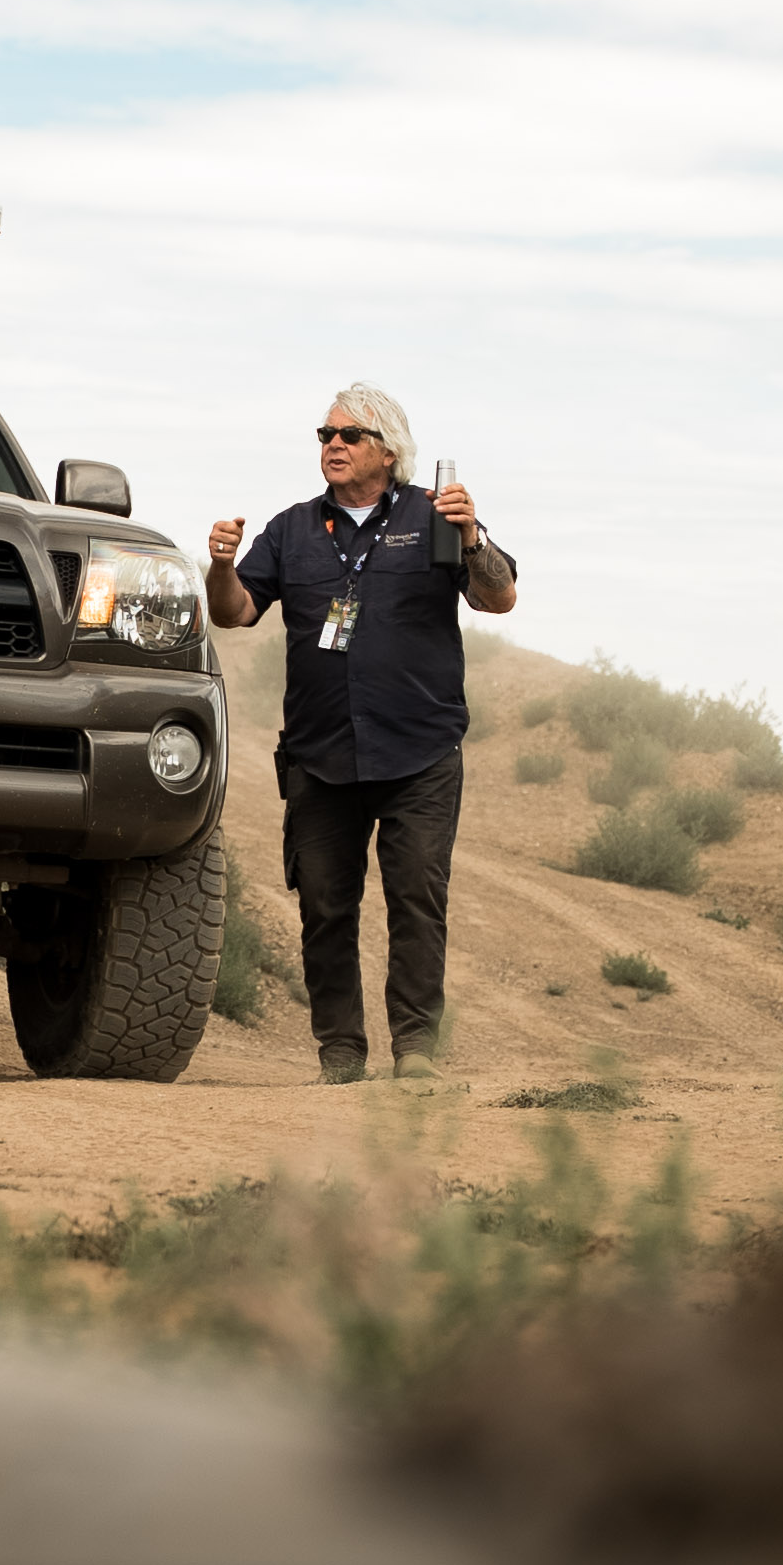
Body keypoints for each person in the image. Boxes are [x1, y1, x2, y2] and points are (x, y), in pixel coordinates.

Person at [206, 388, 516, 1084]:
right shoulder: (291, 529)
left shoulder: (435, 517)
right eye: (325, 434)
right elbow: (234, 613)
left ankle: (415, 1050)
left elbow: (498, 597)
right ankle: (341, 1053)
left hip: (420, 752)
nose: (333, 445)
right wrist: (222, 565)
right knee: (324, 907)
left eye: (349, 435)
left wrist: (473, 538)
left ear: (388, 450)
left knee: (416, 902)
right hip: (320, 754)